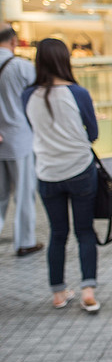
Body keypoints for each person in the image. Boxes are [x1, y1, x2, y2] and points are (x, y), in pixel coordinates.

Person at [22, 39, 100, 312]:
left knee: (57, 233)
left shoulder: (28, 95)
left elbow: (32, 127)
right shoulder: (77, 93)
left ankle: (57, 293)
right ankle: (88, 291)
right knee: (84, 231)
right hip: (80, 169)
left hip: (47, 172)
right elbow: (93, 133)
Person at [0, 24, 42, 257]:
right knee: (24, 192)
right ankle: (24, 241)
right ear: (14, 42)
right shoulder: (21, 66)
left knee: (0, 195)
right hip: (19, 137)